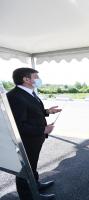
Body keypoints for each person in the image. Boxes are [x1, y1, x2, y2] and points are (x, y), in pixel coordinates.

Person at [7, 67, 62, 200]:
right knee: (25, 170)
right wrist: (42, 130)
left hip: (35, 139)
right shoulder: (15, 96)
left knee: (32, 164)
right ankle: (28, 196)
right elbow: (19, 125)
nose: (38, 79)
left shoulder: (27, 92)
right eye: (36, 77)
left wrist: (47, 111)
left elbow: (31, 111)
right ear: (26, 79)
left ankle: (35, 185)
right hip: (26, 141)